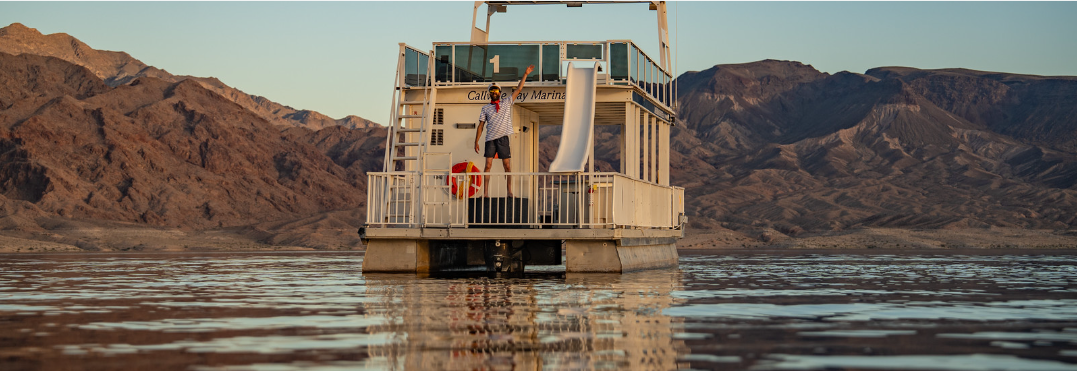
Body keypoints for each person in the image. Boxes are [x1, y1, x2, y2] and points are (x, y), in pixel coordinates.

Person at [474, 64, 534, 198]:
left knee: (507, 166)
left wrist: (525, 74)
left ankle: (509, 191)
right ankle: (485, 193)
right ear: (489, 93)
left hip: (503, 138)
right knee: (488, 165)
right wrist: (476, 141)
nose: (494, 92)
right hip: (490, 139)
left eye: (496, 90)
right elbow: (481, 125)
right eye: (492, 91)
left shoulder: (506, 103)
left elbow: (518, 89)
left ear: (500, 92)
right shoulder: (485, 108)